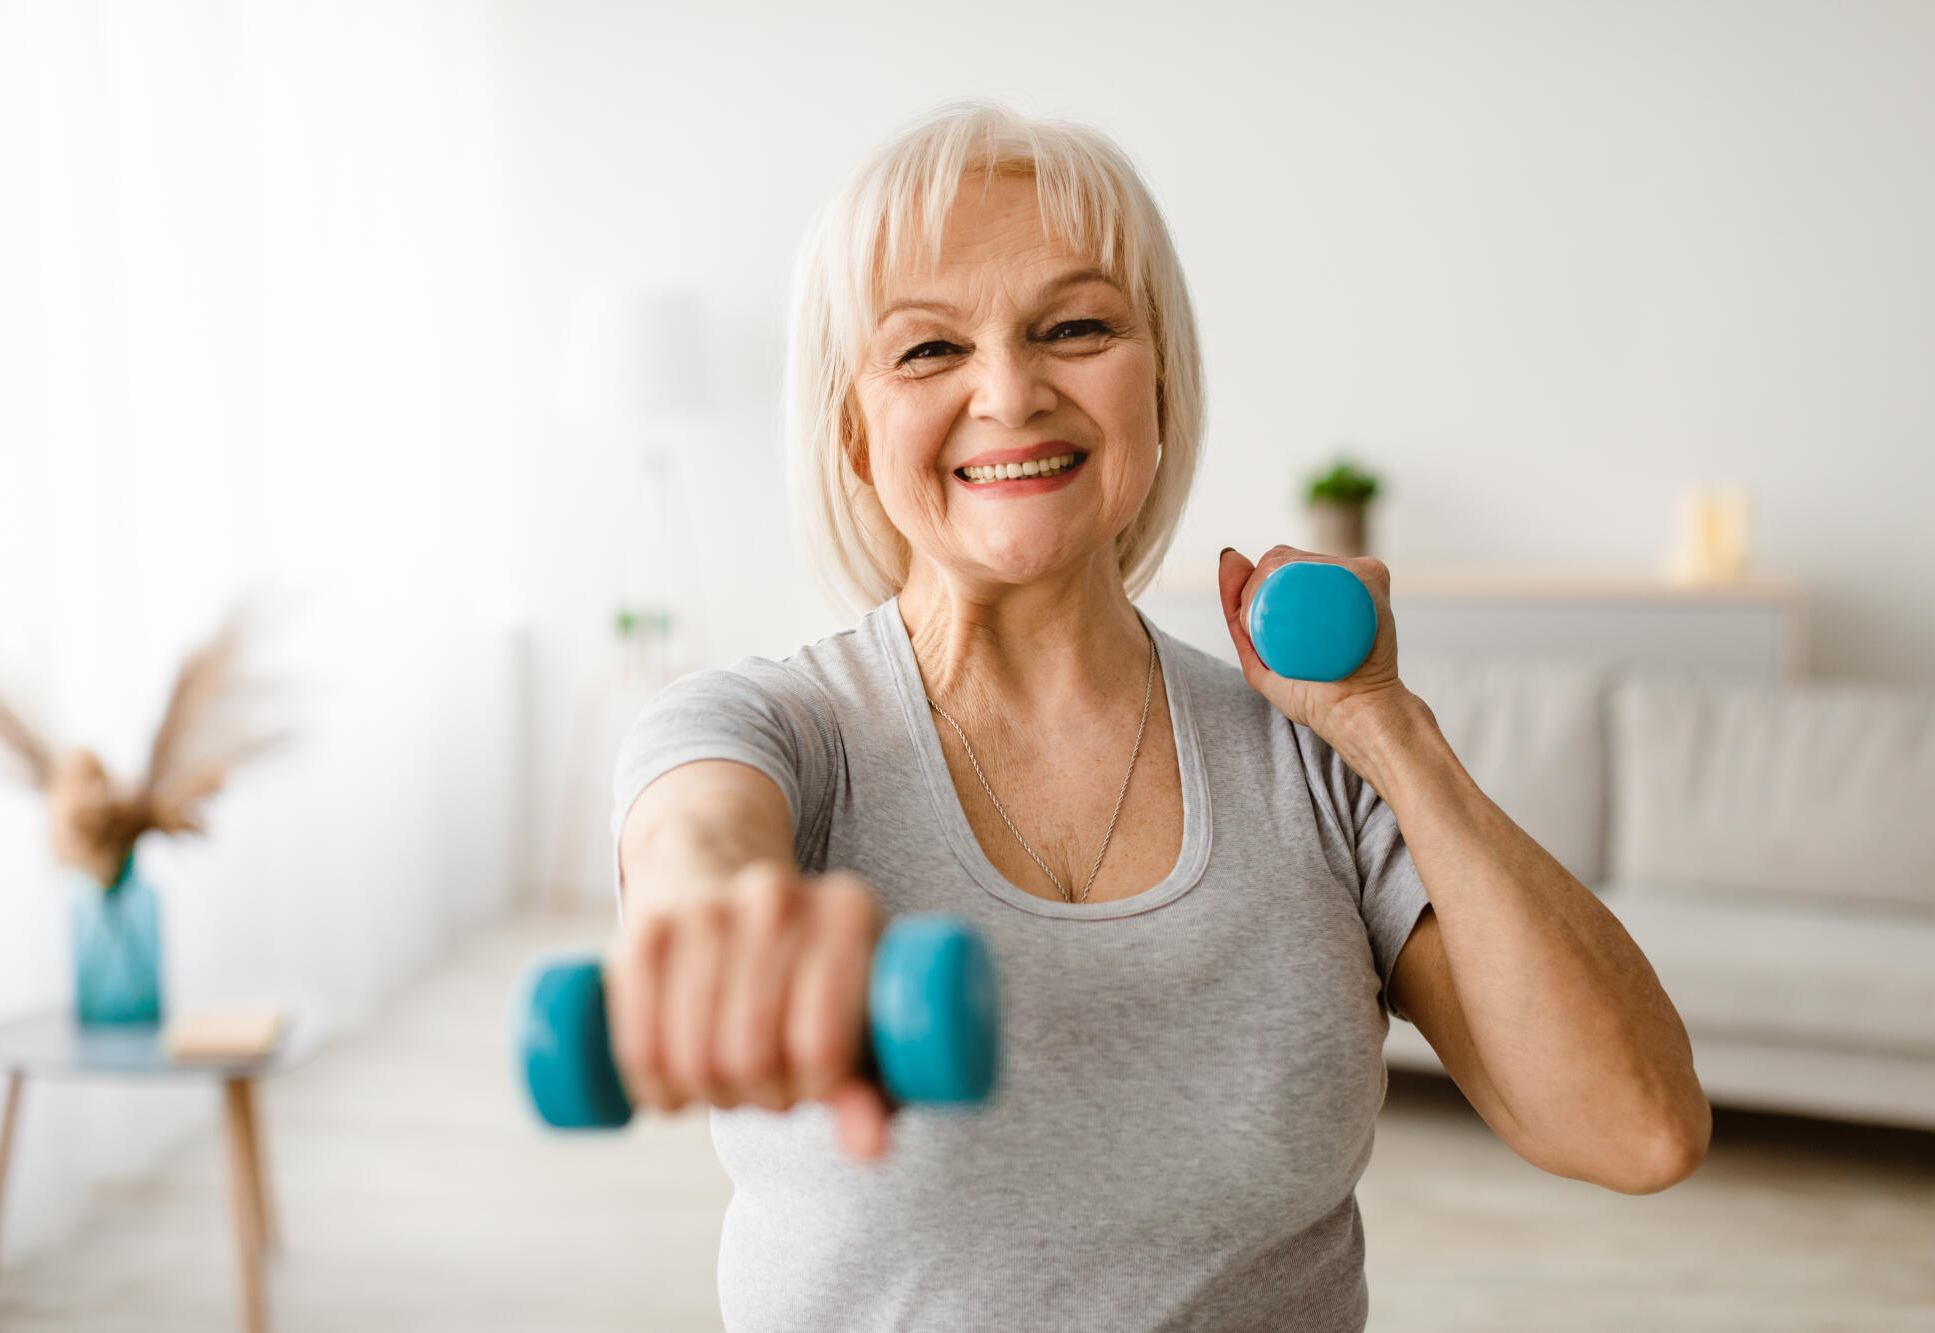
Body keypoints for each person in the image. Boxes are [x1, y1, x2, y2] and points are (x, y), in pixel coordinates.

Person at [603, 99, 1709, 1332]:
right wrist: (723, 920)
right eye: (927, 350)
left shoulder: (1313, 765)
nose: (1009, 391)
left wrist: (1386, 726)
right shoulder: (768, 727)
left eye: (1074, 327)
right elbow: (696, 838)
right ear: (854, 434)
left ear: (1159, 385)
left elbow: (1637, 1128)